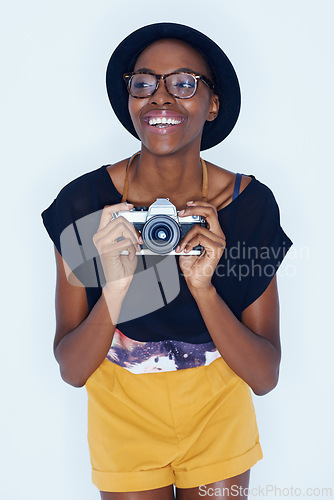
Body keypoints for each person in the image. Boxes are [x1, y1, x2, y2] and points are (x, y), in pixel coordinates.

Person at [41, 22, 293, 500]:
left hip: (219, 412)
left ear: (212, 104)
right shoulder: (84, 204)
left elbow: (264, 377)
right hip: (122, 415)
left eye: (183, 83)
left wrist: (204, 288)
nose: (160, 97)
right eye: (144, 82)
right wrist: (116, 287)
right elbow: (72, 370)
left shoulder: (249, 206)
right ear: (130, 99)